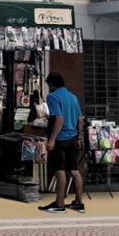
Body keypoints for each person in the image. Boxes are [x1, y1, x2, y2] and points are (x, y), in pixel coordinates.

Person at [38, 73, 85, 214]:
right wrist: (79, 136)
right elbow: (80, 119)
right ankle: (79, 202)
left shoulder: (53, 97)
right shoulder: (73, 97)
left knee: (60, 171)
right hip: (72, 138)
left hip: (60, 139)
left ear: (51, 85)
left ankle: (59, 203)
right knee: (74, 171)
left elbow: (59, 118)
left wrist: (52, 139)